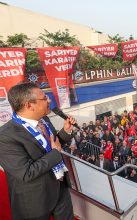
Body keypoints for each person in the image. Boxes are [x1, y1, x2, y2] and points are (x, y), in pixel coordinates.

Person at [0, 82, 77, 220]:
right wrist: (55, 153)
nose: (49, 100)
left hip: (60, 188)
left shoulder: (44, 119)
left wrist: (65, 132)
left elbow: (52, 145)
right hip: (34, 200)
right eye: (44, 98)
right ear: (29, 105)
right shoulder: (5, 136)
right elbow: (26, 173)